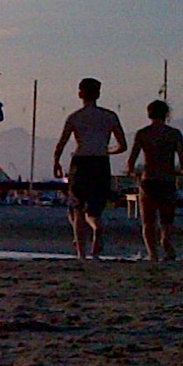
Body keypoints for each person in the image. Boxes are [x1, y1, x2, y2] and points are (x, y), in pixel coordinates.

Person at [52, 77, 128, 259]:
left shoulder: (75, 117)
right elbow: (122, 145)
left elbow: (61, 143)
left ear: (80, 94)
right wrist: (107, 150)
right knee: (94, 210)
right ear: (98, 94)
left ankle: (81, 253)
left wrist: (56, 162)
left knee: (78, 208)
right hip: (100, 161)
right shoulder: (109, 116)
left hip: (81, 161)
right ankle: (97, 227)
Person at [127, 100, 183, 262]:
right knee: (167, 219)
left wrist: (131, 171)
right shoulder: (174, 133)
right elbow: (182, 156)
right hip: (167, 179)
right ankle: (165, 240)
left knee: (148, 220)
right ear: (166, 114)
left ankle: (152, 254)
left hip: (149, 179)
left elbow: (132, 159)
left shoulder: (143, 133)